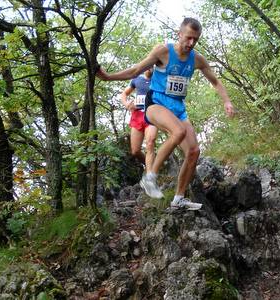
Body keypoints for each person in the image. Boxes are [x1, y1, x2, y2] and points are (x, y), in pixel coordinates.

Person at [97, 17, 235, 210]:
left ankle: (178, 198)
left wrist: (227, 101)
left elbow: (216, 81)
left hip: (178, 108)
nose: (191, 43)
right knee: (178, 132)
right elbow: (136, 69)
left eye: (195, 39)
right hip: (156, 103)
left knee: (194, 151)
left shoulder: (197, 59)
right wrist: (108, 77)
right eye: (188, 38)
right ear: (179, 34)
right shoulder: (163, 51)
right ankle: (150, 177)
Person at [120, 67, 158, 169]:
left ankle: (150, 175)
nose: (151, 68)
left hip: (151, 115)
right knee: (135, 151)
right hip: (137, 116)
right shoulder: (136, 79)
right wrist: (126, 103)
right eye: (149, 66)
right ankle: (152, 167)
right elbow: (124, 93)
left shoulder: (158, 80)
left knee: (150, 143)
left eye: (153, 66)